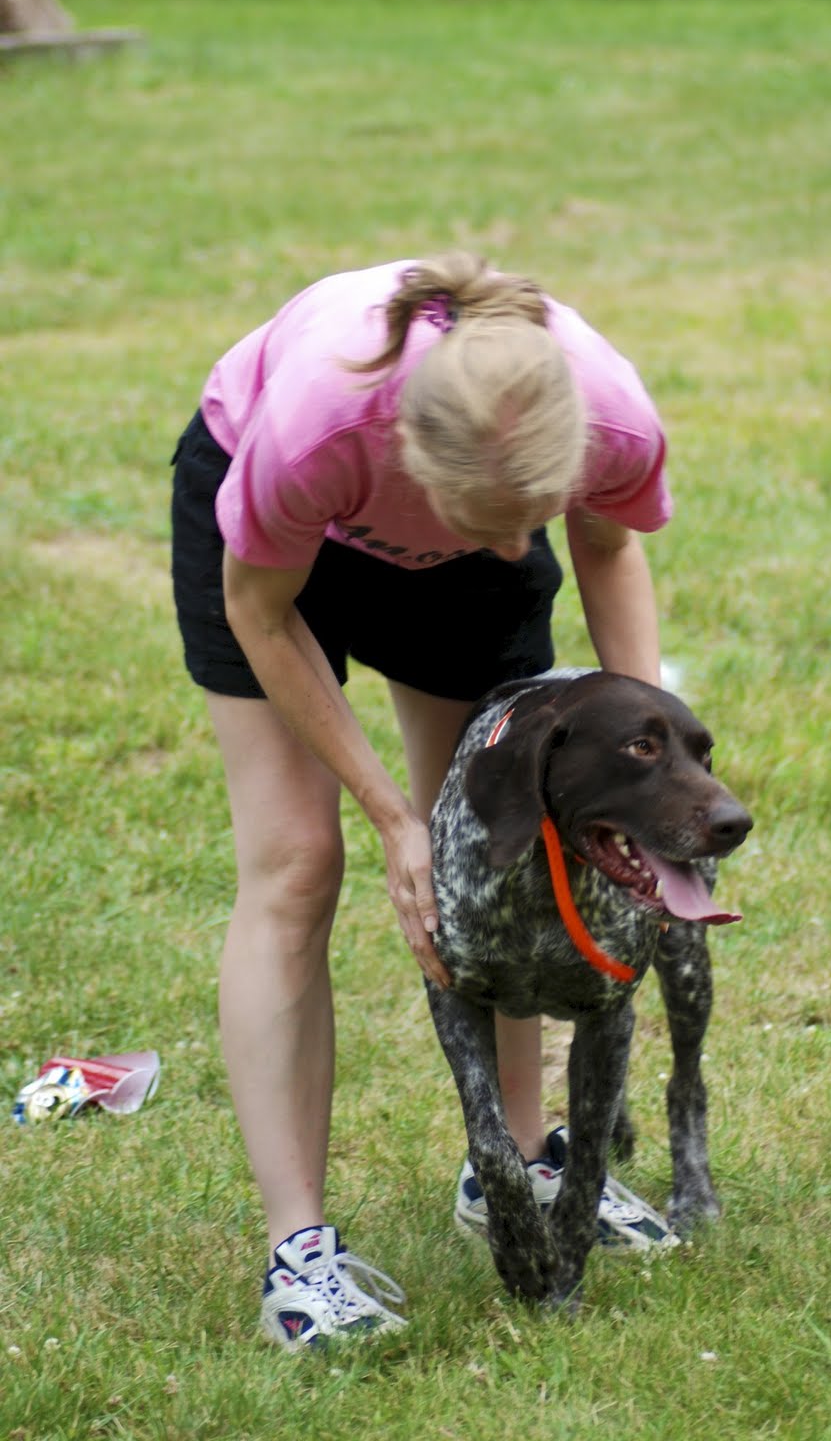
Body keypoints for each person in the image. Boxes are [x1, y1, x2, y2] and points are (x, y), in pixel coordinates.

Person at [170, 252, 676, 1349]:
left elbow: (604, 543)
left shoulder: (612, 422)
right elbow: (262, 614)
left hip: (443, 517)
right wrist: (395, 818)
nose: (514, 550)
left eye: (527, 519)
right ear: (409, 453)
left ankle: (518, 1164)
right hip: (275, 553)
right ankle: (298, 1252)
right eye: (499, 522)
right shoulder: (316, 427)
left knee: (503, 852)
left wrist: (647, 779)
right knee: (298, 862)